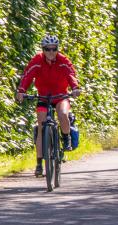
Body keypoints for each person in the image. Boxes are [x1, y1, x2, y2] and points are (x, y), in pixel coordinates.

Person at [16, 35, 81, 177]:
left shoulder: (63, 60)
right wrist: (21, 91)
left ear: (57, 49)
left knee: (63, 114)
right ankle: (39, 164)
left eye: (54, 49)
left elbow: (71, 74)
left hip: (60, 96)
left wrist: (75, 88)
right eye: (47, 49)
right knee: (40, 126)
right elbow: (27, 76)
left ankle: (65, 138)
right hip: (43, 97)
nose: (51, 52)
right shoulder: (37, 60)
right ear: (43, 50)